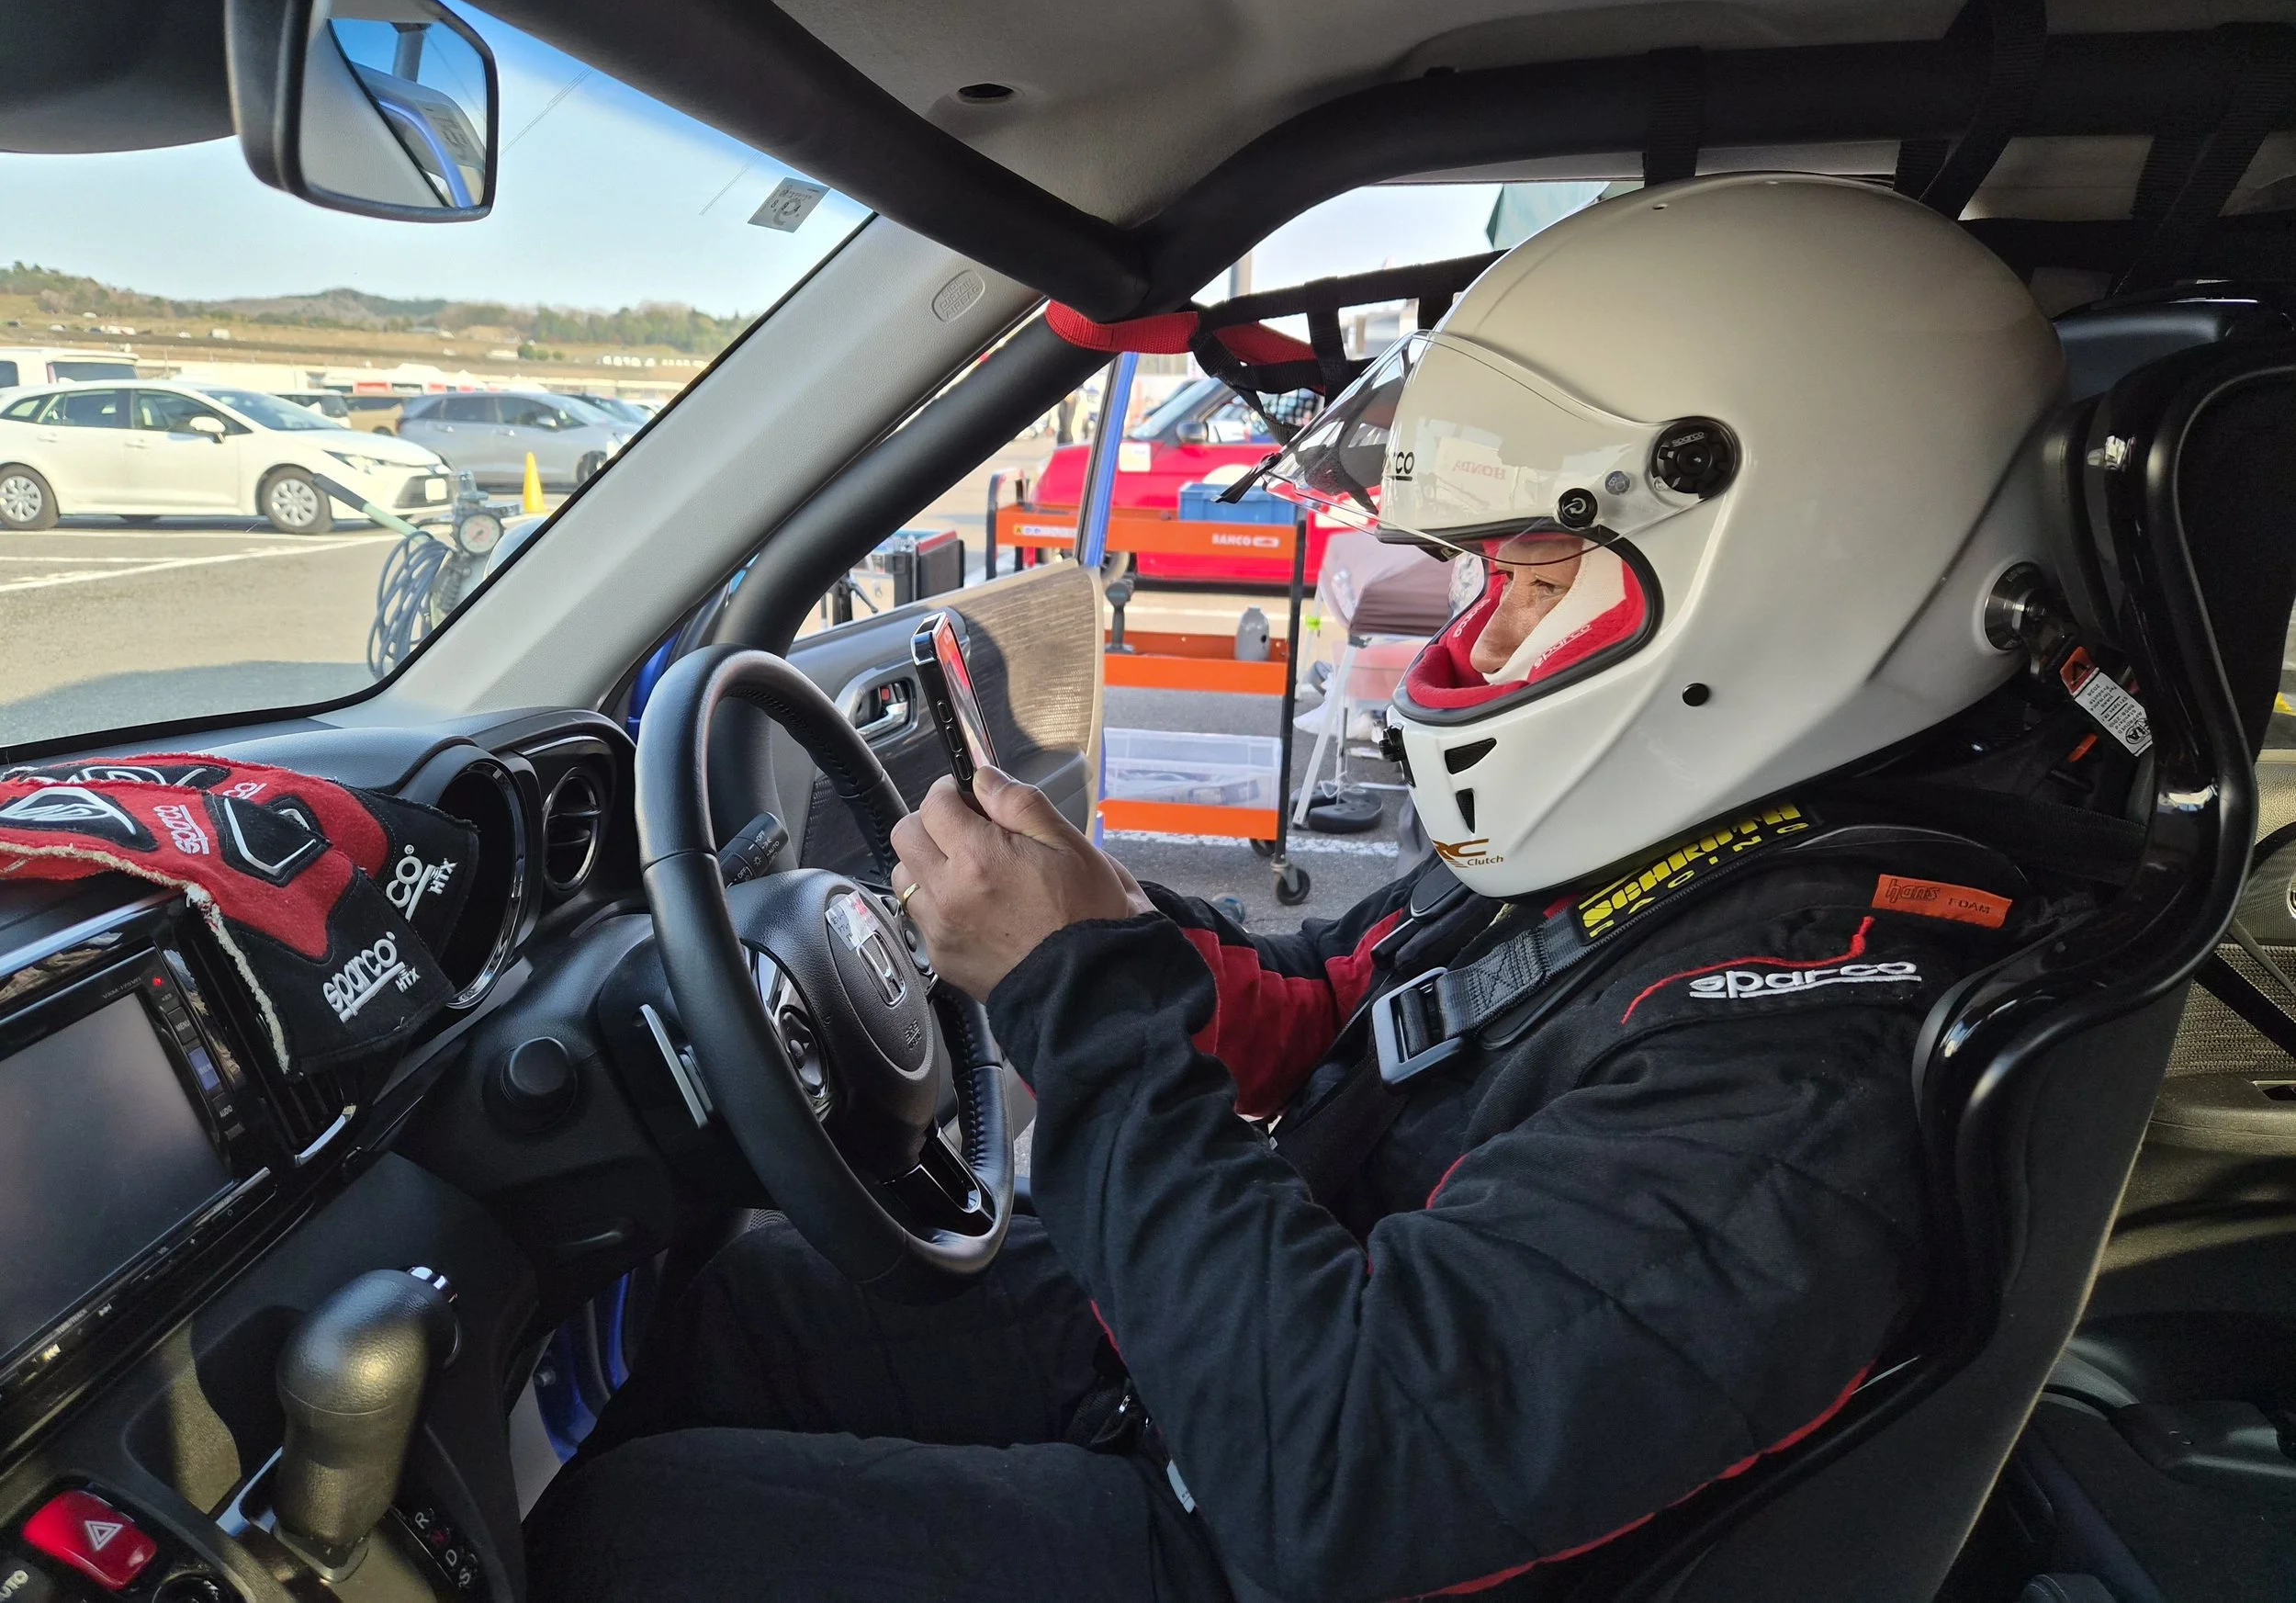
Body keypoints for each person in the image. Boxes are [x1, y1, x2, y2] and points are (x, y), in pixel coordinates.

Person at [528, 175, 2110, 1602]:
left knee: (632, 1540)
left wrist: (1070, 1000)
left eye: (1528, 582)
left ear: (1789, 570)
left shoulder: (1808, 1065)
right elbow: (1368, 1000)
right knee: (732, 1308)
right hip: (1267, 1327)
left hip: (1287, 1491)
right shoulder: (1723, 847)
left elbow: (1353, 1481)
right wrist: (1113, 933)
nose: (1472, 643)